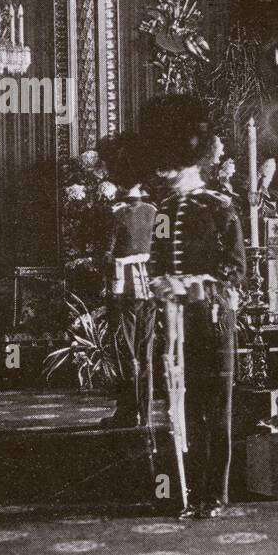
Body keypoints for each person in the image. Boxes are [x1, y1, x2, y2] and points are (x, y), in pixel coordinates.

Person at [141, 95, 246, 519]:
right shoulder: (164, 210)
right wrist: (160, 284)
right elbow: (157, 259)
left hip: (212, 320)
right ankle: (185, 490)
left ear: (193, 161)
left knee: (215, 408)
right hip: (175, 322)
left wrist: (194, 284)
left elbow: (235, 272)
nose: (166, 172)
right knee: (179, 405)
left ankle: (215, 493)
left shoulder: (220, 207)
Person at [98, 131, 157, 433]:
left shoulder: (116, 213)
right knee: (144, 354)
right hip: (147, 292)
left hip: (122, 290)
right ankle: (143, 413)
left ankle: (127, 411)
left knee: (125, 352)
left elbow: (106, 255)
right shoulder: (153, 211)